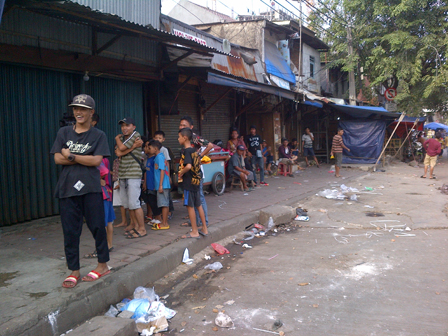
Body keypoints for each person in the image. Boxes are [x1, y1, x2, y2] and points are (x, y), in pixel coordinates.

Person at [50, 94, 110, 288]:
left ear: (91, 112)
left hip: (91, 187)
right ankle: (74, 270)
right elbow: (57, 159)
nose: (78, 112)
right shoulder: (64, 132)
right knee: (70, 231)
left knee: (98, 227)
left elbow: (96, 161)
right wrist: (77, 157)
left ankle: (102, 265)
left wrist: (72, 155)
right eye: (76, 108)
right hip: (67, 188)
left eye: (83, 109)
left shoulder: (98, 135)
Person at [179, 116, 213, 228]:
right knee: (194, 200)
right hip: (190, 173)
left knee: (199, 199)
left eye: (184, 125)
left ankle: (204, 223)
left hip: (195, 173)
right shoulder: (184, 139)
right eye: (181, 125)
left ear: (191, 127)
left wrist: (199, 156)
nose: (181, 127)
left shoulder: (194, 137)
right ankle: (196, 222)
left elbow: (210, 146)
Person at [115, 117, 146, 239]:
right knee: (128, 203)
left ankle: (142, 229)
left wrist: (117, 139)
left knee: (134, 203)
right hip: (123, 173)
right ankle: (135, 226)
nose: (124, 128)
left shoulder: (135, 135)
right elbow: (118, 153)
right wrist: (131, 147)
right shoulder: (124, 138)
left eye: (127, 125)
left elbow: (121, 149)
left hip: (133, 173)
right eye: (122, 126)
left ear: (133, 126)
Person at [178, 127, 208, 238]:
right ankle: (204, 228)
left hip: (189, 183)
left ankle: (194, 231)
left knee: (190, 206)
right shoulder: (194, 151)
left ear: (185, 138)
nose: (178, 139)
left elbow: (189, 166)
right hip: (196, 181)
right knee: (198, 205)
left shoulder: (186, 151)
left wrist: (181, 172)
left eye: (179, 137)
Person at [148, 139, 171, 230]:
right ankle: (163, 222)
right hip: (161, 185)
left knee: (164, 204)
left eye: (150, 148)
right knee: (162, 203)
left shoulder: (160, 157)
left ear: (155, 149)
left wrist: (160, 185)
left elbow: (162, 170)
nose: (148, 150)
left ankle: (165, 223)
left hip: (163, 185)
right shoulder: (158, 157)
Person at [153, 131, 174, 220]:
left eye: (160, 138)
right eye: (156, 138)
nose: (158, 139)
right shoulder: (154, 150)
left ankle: (168, 213)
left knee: (166, 197)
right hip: (159, 178)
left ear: (163, 139)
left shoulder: (164, 150)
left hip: (164, 177)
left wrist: (168, 176)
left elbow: (167, 163)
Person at [141, 139, 162, 226]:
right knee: (150, 201)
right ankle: (155, 217)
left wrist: (157, 184)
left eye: (149, 148)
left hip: (153, 185)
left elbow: (158, 173)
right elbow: (146, 172)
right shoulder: (148, 159)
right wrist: (145, 183)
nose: (147, 149)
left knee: (154, 201)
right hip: (149, 184)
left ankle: (158, 218)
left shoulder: (155, 159)